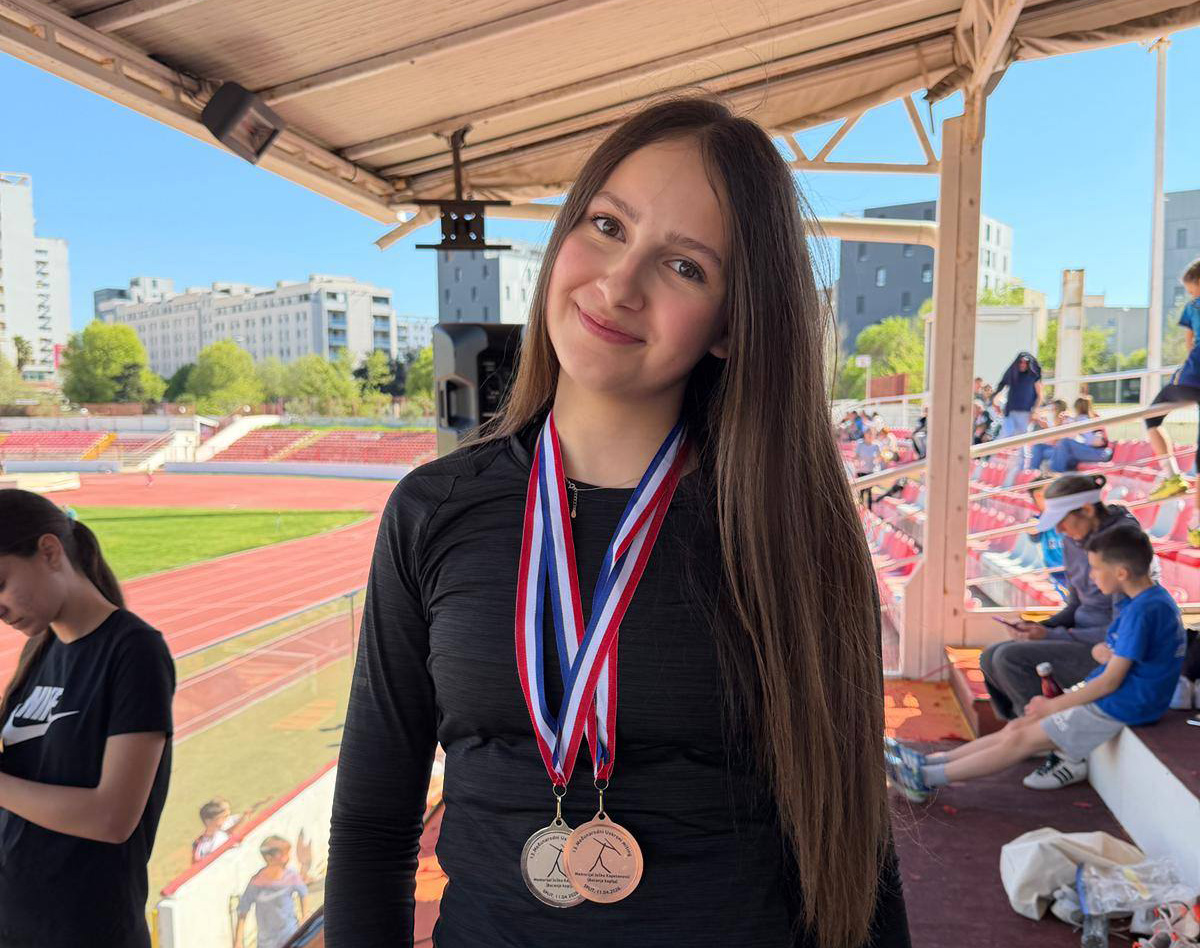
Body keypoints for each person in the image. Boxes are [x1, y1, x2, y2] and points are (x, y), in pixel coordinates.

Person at [325, 97, 909, 948]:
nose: (619, 284)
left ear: (730, 325)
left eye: (685, 267)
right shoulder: (432, 511)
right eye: (607, 226)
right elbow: (373, 824)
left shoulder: (790, 527)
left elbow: (855, 836)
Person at [887, 523, 1185, 800]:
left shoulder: (1144, 611)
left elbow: (1110, 681)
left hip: (1122, 706)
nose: (1092, 576)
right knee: (1017, 728)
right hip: (1119, 699)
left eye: (1096, 568)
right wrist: (1101, 653)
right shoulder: (1147, 602)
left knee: (1020, 740)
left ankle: (924, 778)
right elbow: (1109, 651)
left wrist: (1052, 706)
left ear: (1121, 572)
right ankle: (928, 762)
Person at [0, 489, 175, 948]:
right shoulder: (39, 651)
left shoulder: (134, 651)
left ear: (49, 552)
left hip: (88, 932)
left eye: (0, 583)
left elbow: (112, 817)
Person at [978, 473, 1155, 786]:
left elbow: (1119, 630)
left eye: (1062, 521)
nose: (1059, 530)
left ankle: (1055, 745)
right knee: (991, 655)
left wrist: (1052, 635)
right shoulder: (1075, 540)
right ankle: (1026, 732)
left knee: (1008, 658)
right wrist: (1042, 627)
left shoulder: (1120, 544)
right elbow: (1077, 604)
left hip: (1106, 649)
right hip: (1081, 635)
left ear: (1087, 509)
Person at [1144, 259, 1200, 547]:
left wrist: (1184, 371)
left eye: (1191, 290)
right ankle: (1197, 524)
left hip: (1194, 376)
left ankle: (1172, 475)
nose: (1191, 295)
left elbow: (1190, 344)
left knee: (1153, 415)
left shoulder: (1194, 307)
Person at [234, 836, 309, 948]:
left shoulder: (291, 875)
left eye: (287, 853)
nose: (287, 858)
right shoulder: (256, 882)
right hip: (267, 943)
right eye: (283, 854)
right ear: (269, 858)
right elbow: (243, 911)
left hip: (291, 936)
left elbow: (304, 893)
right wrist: (238, 942)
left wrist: (305, 915)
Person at [1050, 395, 1112, 473]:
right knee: (1063, 448)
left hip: (1100, 453)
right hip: (1100, 453)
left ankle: (1055, 473)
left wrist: (1072, 420)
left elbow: (1094, 442)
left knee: (1065, 442)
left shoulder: (1086, 419)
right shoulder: (1088, 418)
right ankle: (1057, 473)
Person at [992, 351, 1043, 441]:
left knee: (1020, 440)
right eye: (1020, 362)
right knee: (1006, 434)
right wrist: (995, 403)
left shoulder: (1033, 376)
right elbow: (1001, 387)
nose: (1022, 364)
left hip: (1025, 413)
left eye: (1025, 362)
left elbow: (1040, 396)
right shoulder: (1012, 373)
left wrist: (1034, 411)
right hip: (1010, 412)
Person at [1027, 399, 1068, 473]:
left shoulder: (1064, 421)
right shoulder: (1056, 421)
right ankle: (1033, 472)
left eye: (1054, 409)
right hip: (1052, 447)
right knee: (1037, 446)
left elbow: (1058, 441)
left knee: (1040, 450)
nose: (1052, 411)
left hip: (1059, 450)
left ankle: (1033, 471)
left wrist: (1046, 427)